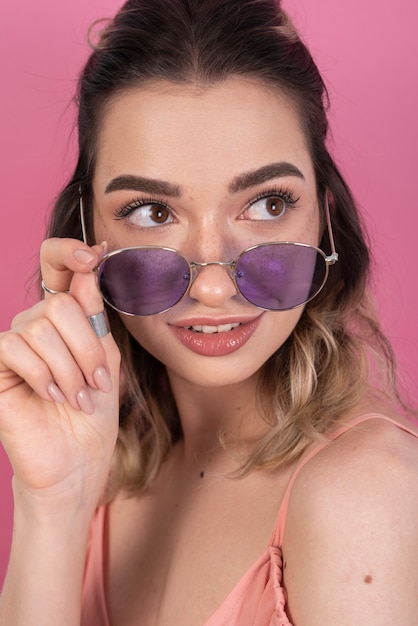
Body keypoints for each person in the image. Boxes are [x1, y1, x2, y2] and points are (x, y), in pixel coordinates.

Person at [0, 0, 417, 623]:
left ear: (325, 216)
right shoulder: (106, 468)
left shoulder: (364, 494)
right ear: (90, 232)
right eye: (152, 212)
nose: (216, 286)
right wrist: (51, 504)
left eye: (269, 204)